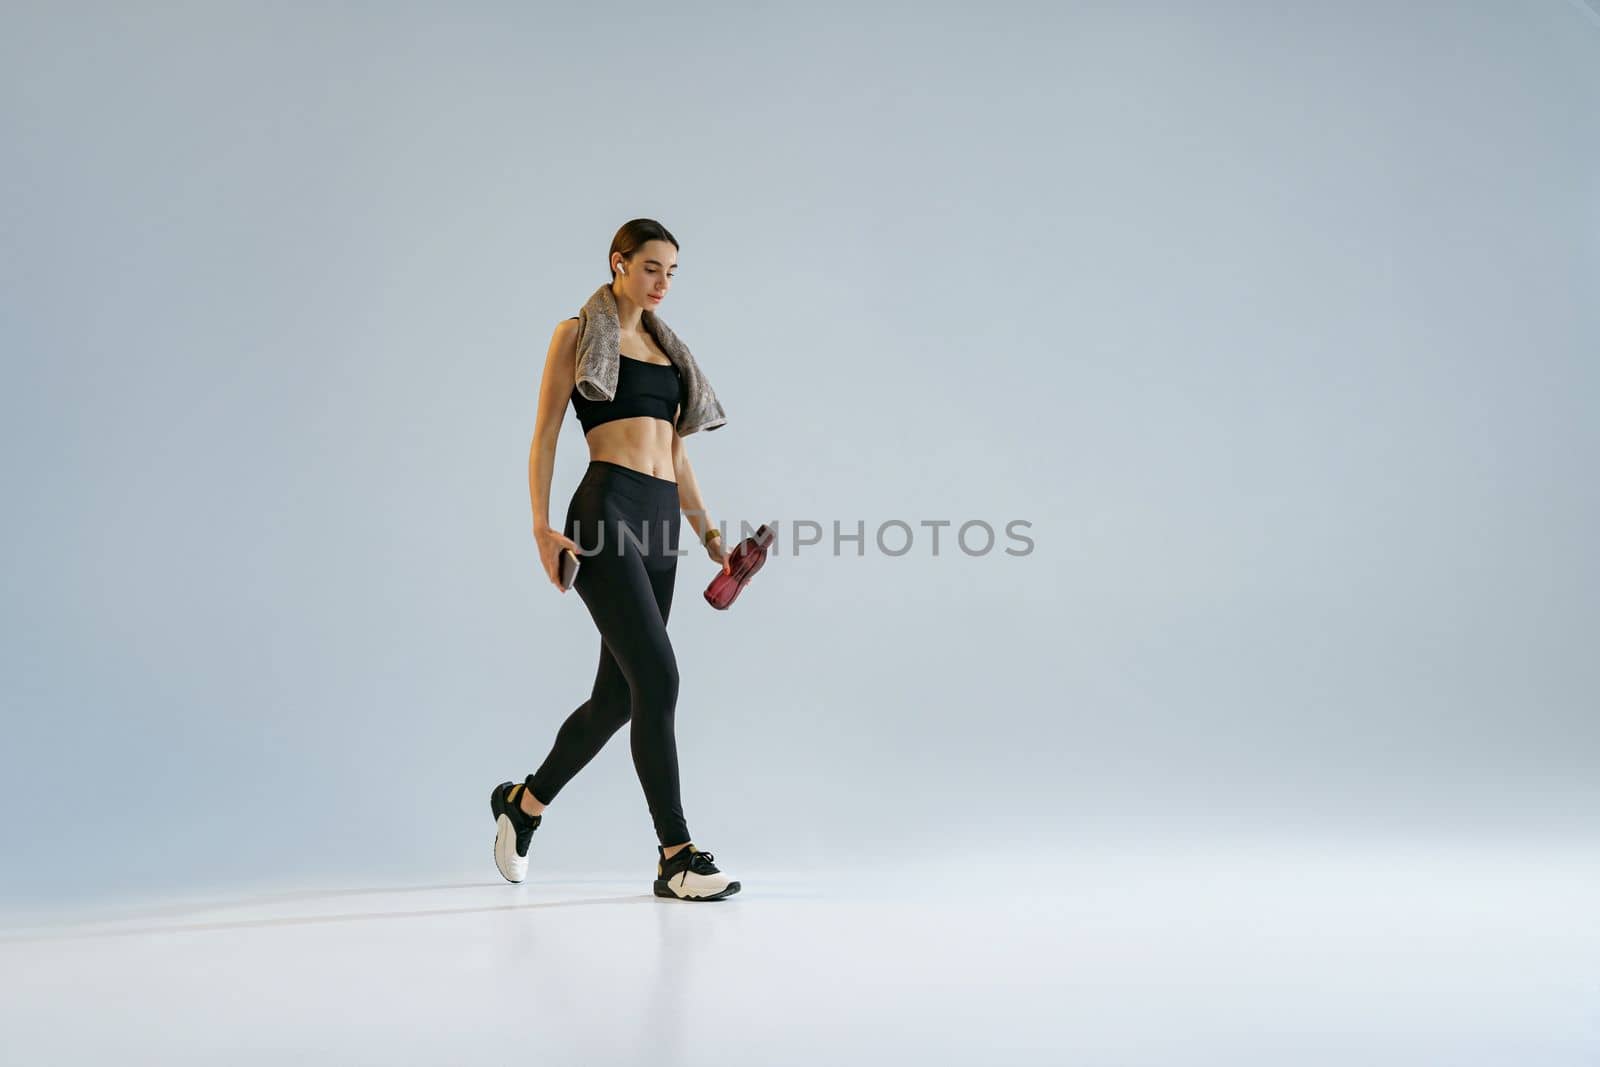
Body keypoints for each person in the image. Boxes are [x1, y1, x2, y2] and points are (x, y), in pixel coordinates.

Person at [489, 219, 741, 901]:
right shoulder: (576, 334)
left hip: (661, 519)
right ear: (619, 263)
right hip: (605, 510)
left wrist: (710, 532)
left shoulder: (666, 351)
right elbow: (544, 433)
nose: (662, 283)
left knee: (617, 697)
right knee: (658, 677)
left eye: (672, 272)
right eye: (652, 268)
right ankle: (676, 853)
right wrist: (542, 528)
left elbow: (676, 452)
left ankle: (525, 802)